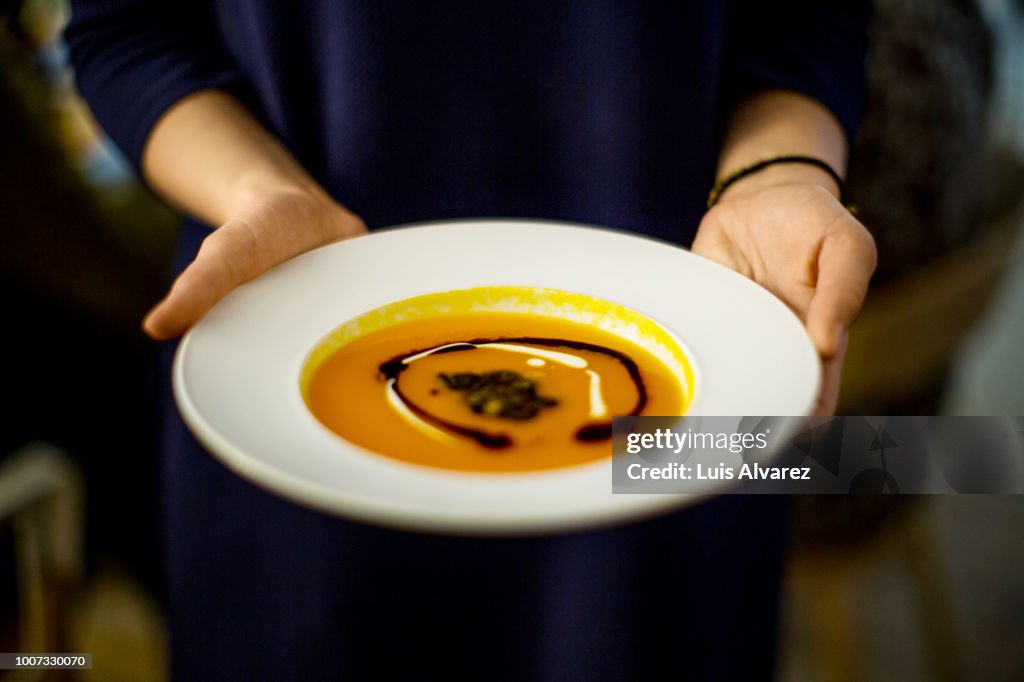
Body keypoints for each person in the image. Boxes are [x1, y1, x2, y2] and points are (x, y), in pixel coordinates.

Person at [65, 2, 876, 679]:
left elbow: (806, 23)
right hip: (284, 420)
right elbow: (128, 28)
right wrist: (256, 187)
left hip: (684, 421)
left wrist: (779, 176)